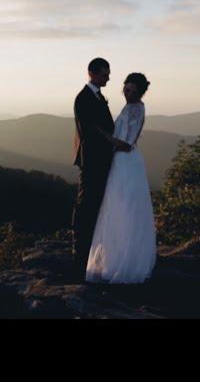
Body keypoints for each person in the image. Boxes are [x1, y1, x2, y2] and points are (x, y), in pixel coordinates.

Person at [85, 72, 157, 284]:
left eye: (133, 92)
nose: (128, 94)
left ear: (141, 92)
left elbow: (127, 144)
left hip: (127, 163)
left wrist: (101, 134)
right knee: (116, 207)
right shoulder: (129, 107)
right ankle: (115, 257)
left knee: (124, 208)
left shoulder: (138, 109)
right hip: (119, 163)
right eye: (126, 90)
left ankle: (125, 261)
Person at [71, 57, 131, 282]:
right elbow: (91, 130)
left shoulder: (95, 96)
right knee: (87, 202)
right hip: (92, 159)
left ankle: (90, 245)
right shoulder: (83, 98)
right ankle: (81, 249)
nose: (108, 77)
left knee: (95, 200)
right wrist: (115, 142)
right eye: (105, 74)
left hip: (100, 158)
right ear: (93, 73)